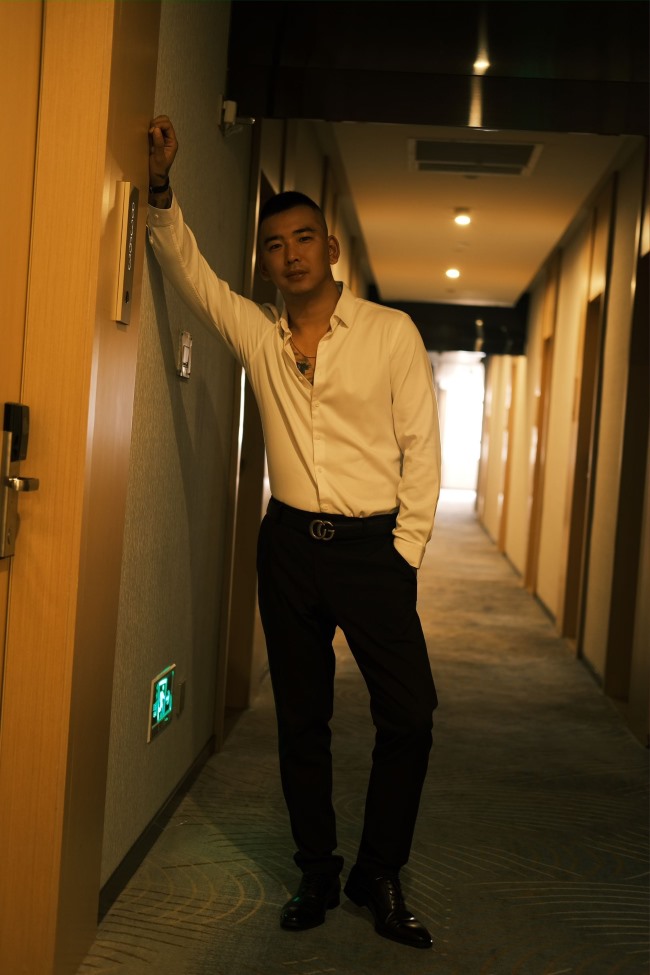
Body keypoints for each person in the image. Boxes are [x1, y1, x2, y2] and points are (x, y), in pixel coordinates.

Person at [147, 116, 441, 951]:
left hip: (373, 551)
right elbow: (191, 273)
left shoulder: (390, 333)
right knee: (301, 719)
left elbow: (423, 450)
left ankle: (379, 872)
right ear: (266, 261)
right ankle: (317, 867)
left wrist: (404, 555)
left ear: (331, 248)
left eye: (304, 238)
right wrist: (160, 188)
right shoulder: (258, 334)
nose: (291, 255)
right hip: (287, 549)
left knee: (410, 716)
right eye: (274, 245)